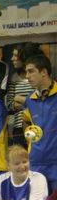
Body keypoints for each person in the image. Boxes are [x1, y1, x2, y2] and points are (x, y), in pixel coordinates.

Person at [22, 54, 57, 191]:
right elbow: (26, 122)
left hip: (55, 162)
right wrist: (30, 141)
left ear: (44, 72)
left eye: (31, 71)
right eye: (26, 72)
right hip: (36, 162)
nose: (27, 76)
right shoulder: (29, 100)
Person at [6, 43, 43, 147]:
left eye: (15, 56)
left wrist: (20, 99)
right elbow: (9, 104)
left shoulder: (37, 77)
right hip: (18, 126)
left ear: (24, 58)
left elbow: (41, 101)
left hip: (38, 122)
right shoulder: (14, 77)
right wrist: (30, 103)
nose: (12, 59)